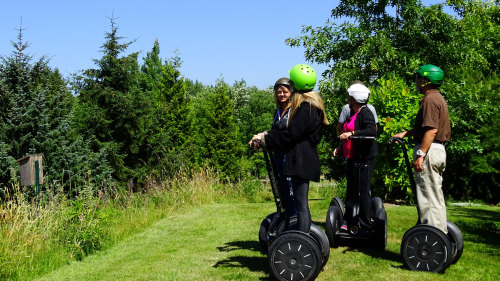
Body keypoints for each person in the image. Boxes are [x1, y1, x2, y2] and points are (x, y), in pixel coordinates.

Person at [250, 64, 329, 233]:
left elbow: (290, 135)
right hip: (303, 157)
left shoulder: (307, 107)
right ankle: (301, 237)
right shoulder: (310, 105)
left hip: (301, 159)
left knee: (300, 205)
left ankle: (300, 238)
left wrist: (265, 138)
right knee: (300, 204)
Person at [393, 64, 450, 234]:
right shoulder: (437, 98)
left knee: (428, 199)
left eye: (419, 78)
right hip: (437, 150)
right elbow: (427, 128)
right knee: (435, 197)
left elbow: (432, 130)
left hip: (430, 151)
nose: (416, 81)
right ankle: (440, 235)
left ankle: (432, 239)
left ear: (426, 80)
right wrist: (406, 133)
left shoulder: (430, 100)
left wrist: (420, 155)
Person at [333, 83, 378, 234]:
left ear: (355, 98)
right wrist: (341, 147)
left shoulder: (366, 113)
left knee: (363, 192)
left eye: (349, 97)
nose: (347, 99)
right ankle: (349, 220)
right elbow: (349, 133)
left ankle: (365, 224)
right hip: (353, 157)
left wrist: (351, 134)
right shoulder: (354, 112)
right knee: (351, 191)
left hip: (364, 158)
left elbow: (371, 131)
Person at [271, 77, 296, 219]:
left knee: (290, 185)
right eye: (279, 92)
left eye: (285, 92)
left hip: (290, 155)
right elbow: (274, 132)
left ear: (291, 93)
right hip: (278, 154)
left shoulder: (293, 111)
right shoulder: (277, 112)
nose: (281, 95)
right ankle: (288, 215)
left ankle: (295, 217)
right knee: (282, 186)